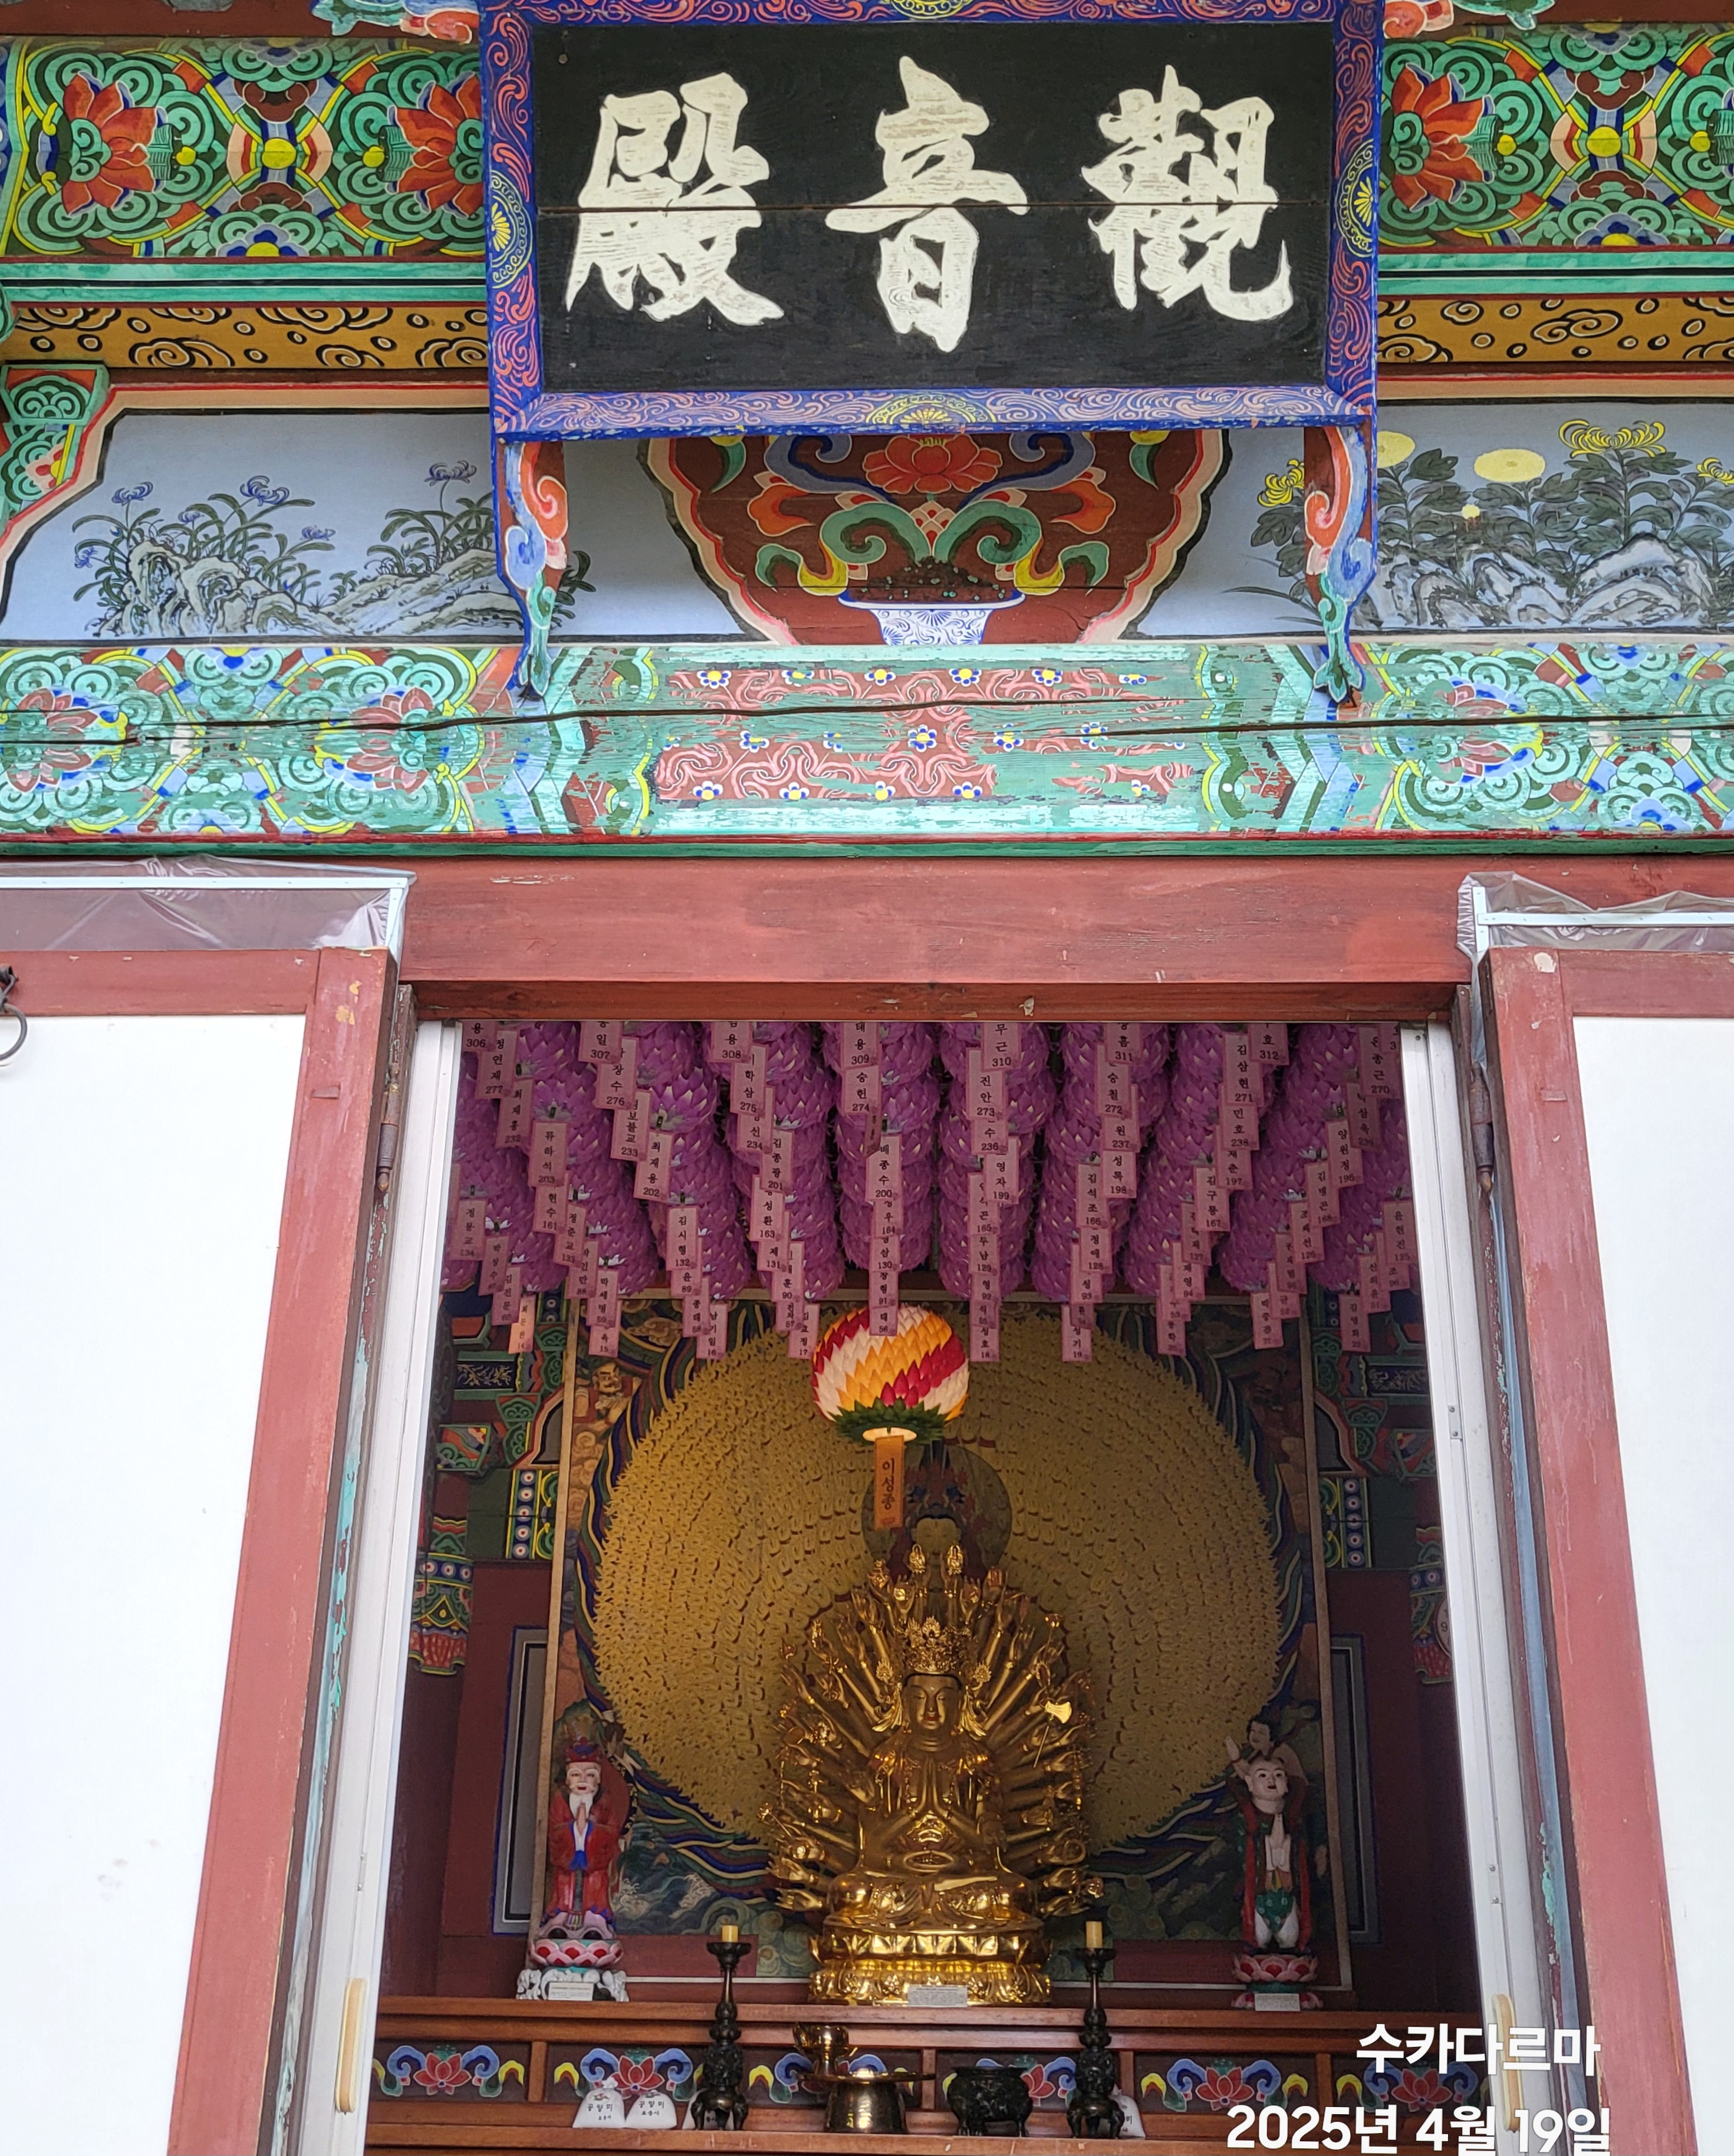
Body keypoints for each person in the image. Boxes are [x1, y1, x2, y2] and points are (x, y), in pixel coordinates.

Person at [541, 1746, 628, 1934]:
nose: (582, 1780)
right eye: (575, 1775)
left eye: (589, 1775)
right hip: (567, 1863)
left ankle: (594, 1920)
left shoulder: (604, 1803)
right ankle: (561, 1918)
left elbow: (612, 1832)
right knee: (564, 1883)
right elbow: (553, 1831)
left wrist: (590, 1831)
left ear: (598, 1779)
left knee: (596, 1883)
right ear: (567, 1779)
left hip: (594, 1866)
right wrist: (573, 1831)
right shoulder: (561, 1801)